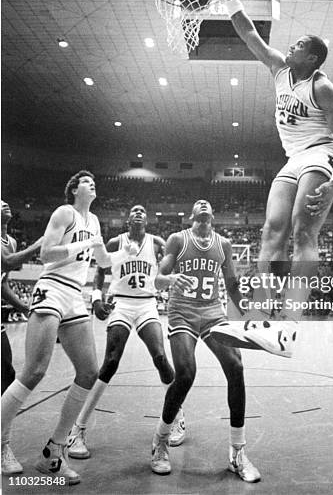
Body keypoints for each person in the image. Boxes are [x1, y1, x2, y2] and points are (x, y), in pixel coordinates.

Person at [224, 0, 333, 326]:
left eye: (298, 45)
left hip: (320, 153)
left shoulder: (322, 87)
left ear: (311, 57)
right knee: (272, 230)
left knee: (303, 230)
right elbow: (250, 34)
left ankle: (292, 315)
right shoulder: (279, 68)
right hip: (293, 159)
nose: (290, 46)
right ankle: (261, 311)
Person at [1, 170, 111, 484]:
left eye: (94, 181)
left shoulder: (95, 222)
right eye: (85, 181)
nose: (92, 183)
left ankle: (54, 453)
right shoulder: (65, 213)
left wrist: (123, 254)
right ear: (74, 189)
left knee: (89, 372)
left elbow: (103, 262)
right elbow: (47, 252)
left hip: (76, 295)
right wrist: (84, 244)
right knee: (34, 371)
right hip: (52, 287)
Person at [151, 199, 260, 483]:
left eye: (207, 203)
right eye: (197, 203)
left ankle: (238, 452)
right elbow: (158, 280)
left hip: (213, 312)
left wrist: (248, 312)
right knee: (186, 373)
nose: (202, 203)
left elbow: (232, 283)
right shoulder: (178, 239)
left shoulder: (223, 243)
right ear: (192, 214)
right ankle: (160, 442)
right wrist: (172, 277)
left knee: (235, 366)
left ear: (213, 214)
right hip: (182, 312)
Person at [67, 204, 182, 459]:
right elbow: (99, 272)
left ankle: (177, 416)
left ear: (147, 219)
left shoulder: (157, 242)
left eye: (143, 210)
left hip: (147, 304)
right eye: (135, 210)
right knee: (110, 362)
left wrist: (168, 282)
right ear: (128, 219)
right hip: (121, 302)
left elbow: (167, 272)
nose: (139, 212)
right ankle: (78, 429)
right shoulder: (115, 242)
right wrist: (96, 298)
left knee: (161, 358)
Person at [1, 200, 43, 397]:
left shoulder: (12, 242)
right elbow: (7, 262)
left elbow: (2, 283)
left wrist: (24, 307)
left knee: (7, 373)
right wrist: (36, 246)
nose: (4, 204)